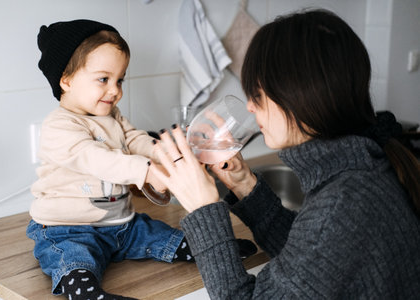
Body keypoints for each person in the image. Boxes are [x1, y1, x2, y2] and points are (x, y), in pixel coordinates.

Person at [149, 9, 420, 299]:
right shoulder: (363, 164)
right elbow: (312, 263)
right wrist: (245, 186)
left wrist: (204, 211)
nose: (250, 108)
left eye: (257, 95)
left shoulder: (344, 201)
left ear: (299, 95)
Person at [26, 19, 258, 300]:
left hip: (121, 223)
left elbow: (134, 139)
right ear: (66, 79)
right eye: (104, 79)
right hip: (67, 227)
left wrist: (163, 152)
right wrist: (147, 170)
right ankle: (88, 293)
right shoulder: (59, 126)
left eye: (119, 79)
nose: (115, 90)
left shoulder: (111, 115)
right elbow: (96, 159)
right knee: (73, 259)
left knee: (155, 232)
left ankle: (203, 247)